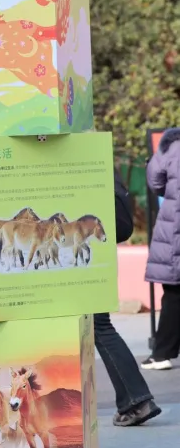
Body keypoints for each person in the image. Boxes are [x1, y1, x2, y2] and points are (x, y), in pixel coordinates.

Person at [92, 168, 161, 426]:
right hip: (97, 255)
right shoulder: (98, 161)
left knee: (98, 326)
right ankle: (134, 400)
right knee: (100, 326)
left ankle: (137, 400)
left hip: (76, 256)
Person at [143, 127, 180, 371]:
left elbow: (155, 180)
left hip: (175, 224)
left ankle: (162, 354)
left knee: (174, 292)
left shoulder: (171, 146)